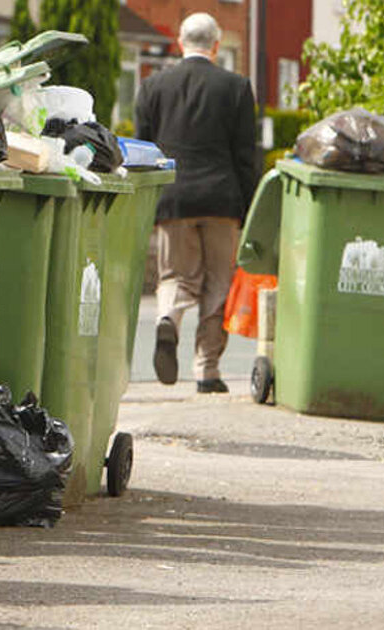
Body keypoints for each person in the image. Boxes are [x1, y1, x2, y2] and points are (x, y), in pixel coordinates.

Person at [134, 12, 257, 393]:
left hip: (174, 198)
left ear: (179, 41)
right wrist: (250, 206)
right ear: (217, 45)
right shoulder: (236, 87)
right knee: (219, 284)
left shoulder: (153, 87)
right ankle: (207, 371)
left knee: (175, 277)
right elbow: (247, 155)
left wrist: (149, 205)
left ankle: (168, 318)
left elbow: (144, 150)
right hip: (222, 200)